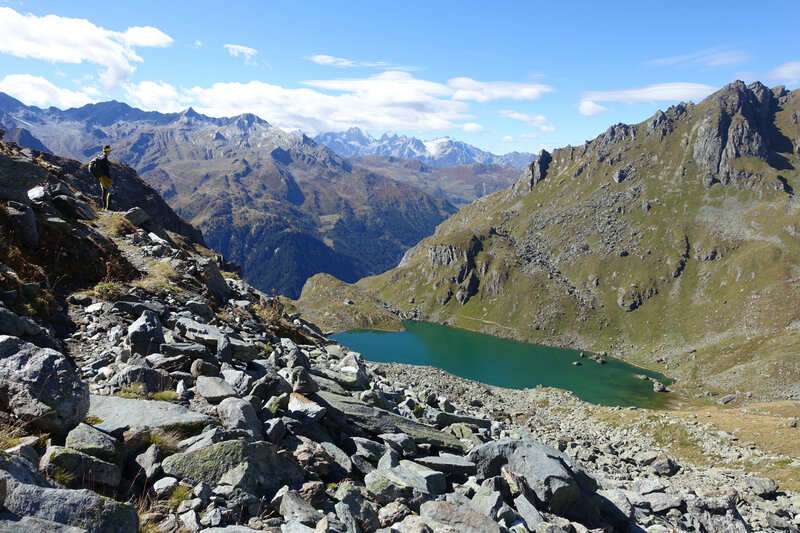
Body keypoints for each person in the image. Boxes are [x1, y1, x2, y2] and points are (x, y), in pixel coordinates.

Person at [95, 145, 113, 210]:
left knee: (104, 191)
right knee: (110, 191)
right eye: (109, 150)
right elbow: (106, 170)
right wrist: (109, 178)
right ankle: (107, 207)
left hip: (101, 177)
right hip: (105, 177)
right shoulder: (104, 159)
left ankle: (104, 207)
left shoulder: (101, 157)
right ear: (107, 151)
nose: (110, 152)